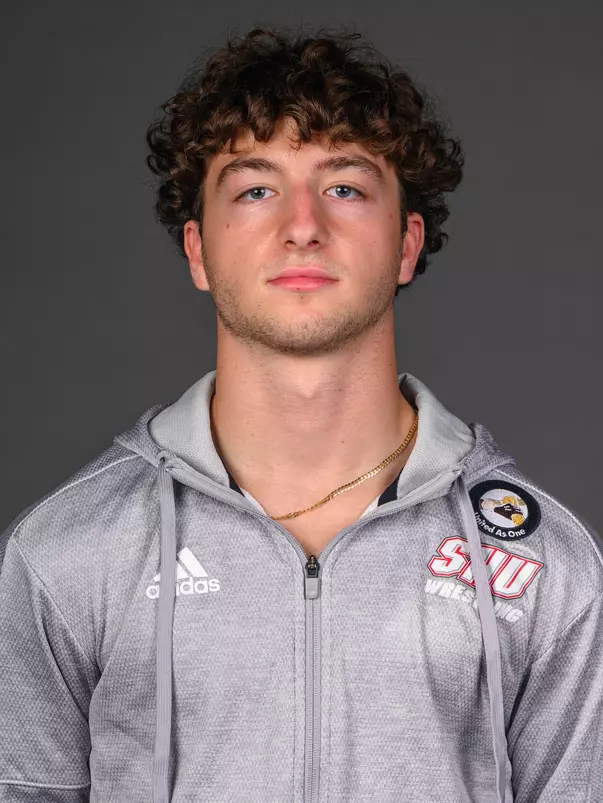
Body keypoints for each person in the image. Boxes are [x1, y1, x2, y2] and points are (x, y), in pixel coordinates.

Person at [0, 24, 601, 803]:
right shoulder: (69, 549)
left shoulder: (545, 562)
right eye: (255, 189)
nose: (302, 225)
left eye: (345, 186)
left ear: (407, 243)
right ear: (197, 251)